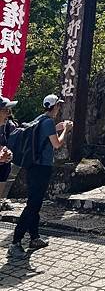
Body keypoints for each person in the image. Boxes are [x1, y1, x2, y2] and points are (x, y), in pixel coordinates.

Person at [8, 94, 72, 258]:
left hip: (32, 167)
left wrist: (57, 127)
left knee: (35, 204)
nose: (59, 108)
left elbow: (45, 135)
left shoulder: (40, 119)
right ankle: (16, 242)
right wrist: (66, 130)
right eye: (58, 105)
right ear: (55, 106)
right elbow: (57, 144)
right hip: (41, 168)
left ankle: (34, 238)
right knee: (33, 205)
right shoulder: (48, 122)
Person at [0, 97, 18, 206]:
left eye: (9, 110)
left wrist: (9, 155)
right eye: (5, 110)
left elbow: (13, 147)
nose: (8, 113)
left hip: (3, 167)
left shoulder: (9, 127)